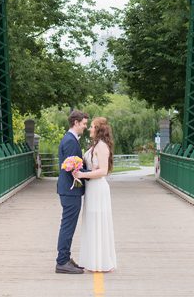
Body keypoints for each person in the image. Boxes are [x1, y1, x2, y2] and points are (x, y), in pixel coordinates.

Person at [73, 116, 117, 272]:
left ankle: (102, 261)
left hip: (98, 189)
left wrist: (82, 175)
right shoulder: (95, 145)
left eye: (92, 126)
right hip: (91, 190)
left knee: (98, 222)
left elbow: (103, 171)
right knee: (92, 222)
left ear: (98, 130)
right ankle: (93, 259)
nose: (90, 129)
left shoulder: (102, 146)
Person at [55, 109, 89, 274]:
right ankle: (62, 261)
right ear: (76, 123)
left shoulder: (71, 139)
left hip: (71, 190)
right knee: (68, 226)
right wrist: (88, 173)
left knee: (69, 225)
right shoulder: (70, 141)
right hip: (70, 190)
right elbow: (71, 167)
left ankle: (66, 258)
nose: (85, 127)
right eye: (83, 124)